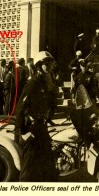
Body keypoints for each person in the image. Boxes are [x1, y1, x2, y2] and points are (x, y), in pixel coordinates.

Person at [15, 51, 58, 182]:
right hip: (31, 129)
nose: (49, 66)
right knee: (28, 168)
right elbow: (20, 108)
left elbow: (50, 105)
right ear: (39, 66)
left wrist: (53, 87)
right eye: (46, 64)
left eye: (50, 63)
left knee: (49, 164)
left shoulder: (46, 83)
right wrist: (23, 131)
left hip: (41, 127)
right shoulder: (32, 83)